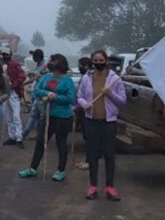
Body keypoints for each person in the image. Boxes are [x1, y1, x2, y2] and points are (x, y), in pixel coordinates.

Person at [76, 49, 128, 200]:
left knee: (109, 155)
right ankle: (92, 186)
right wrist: (84, 104)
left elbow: (122, 102)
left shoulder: (115, 79)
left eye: (101, 60)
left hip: (108, 122)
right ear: (92, 62)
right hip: (91, 121)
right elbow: (79, 96)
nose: (99, 63)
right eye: (96, 60)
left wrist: (110, 93)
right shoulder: (86, 78)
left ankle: (110, 187)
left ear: (106, 61)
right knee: (92, 155)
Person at [19, 55, 76, 181]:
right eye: (51, 61)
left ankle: (60, 171)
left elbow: (71, 99)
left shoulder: (68, 81)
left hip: (63, 117)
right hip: (47, 115)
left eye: (54, 61)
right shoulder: (46, 77)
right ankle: (33, 168)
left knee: (61, 143)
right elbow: (36, 91)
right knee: (40, 141)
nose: (51, 63)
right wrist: (47, 93)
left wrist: (55, 97)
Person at [0, 49, 27, 148]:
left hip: (13, 92)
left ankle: (19, 137)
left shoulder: (15, 64)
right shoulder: (0, 65)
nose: (5, 56)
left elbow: (22, 77)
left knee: (16, 116)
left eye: (6, 54)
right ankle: (12, 137)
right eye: (3, 54)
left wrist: (14, 84)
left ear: (10, 55)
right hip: (4, 93)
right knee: (8, 116)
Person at [22, 49, 49, 141]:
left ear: (38, 57)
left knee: (36, 114)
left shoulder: (44, 66)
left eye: (34, 57)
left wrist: (25, 82)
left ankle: (24, 133)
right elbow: (34, 78)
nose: (33, 58)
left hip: (41, 92)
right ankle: (38, 134)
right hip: (36, 90)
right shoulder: (39, 64)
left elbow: (36, 77)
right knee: (37, 115)